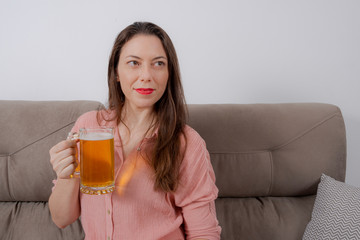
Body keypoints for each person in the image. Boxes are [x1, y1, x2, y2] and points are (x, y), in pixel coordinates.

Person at [49, 21, 221, 240]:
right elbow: (61, 218)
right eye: (134, 63)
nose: (146, 75)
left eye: (158, 63)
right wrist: (67, 176)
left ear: (169, 74)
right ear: (116, 72)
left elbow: (203, 233)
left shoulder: (187, 143)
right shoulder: (87, 127)